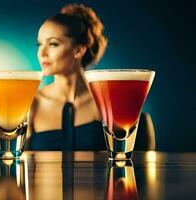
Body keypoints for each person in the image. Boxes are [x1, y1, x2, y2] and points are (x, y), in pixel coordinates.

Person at [27, 3, 155, 151]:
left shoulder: (108, 102)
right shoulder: (32, 104)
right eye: (39, 45)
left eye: (53, 44)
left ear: (79, 50)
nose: (41, 53)